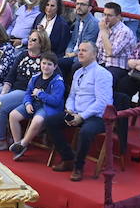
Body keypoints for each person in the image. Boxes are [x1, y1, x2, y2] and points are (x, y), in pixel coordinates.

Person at [43, 41, 113, 180]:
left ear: (94, 54)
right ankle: (68, 158)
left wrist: (81, 116)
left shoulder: (102, 74)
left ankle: (78, 167)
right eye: (79, 50)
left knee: (86, 132)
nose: (80, 53)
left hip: (96, 116)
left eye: (84, 50)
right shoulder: (78, 72)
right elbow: (72, 96)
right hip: (76, 111)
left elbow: (102, 103)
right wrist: (70, 110)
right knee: (50, 121)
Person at [0, 28, 49, 149]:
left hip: (26, 92)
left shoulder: (44, 60)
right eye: (29, 39)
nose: (29, 41)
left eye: (34, 40)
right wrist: (4, 91)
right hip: (13, 87)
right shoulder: (22, 55)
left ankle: (1, 140)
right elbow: (11, 76)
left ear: (41, 43)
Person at [8, 52, 65, 158]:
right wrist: (27, 103)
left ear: (55, 66)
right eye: (44, 63)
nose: (45, 66)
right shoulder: (35, 77)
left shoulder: (58, 82)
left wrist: (40, 94)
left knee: (37, 120)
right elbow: (28, 93)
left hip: (47, 107)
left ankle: (23, 144)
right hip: (34, 104)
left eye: (49, 64)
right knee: (13, 115)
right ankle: (17, 144)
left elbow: (55, 101)